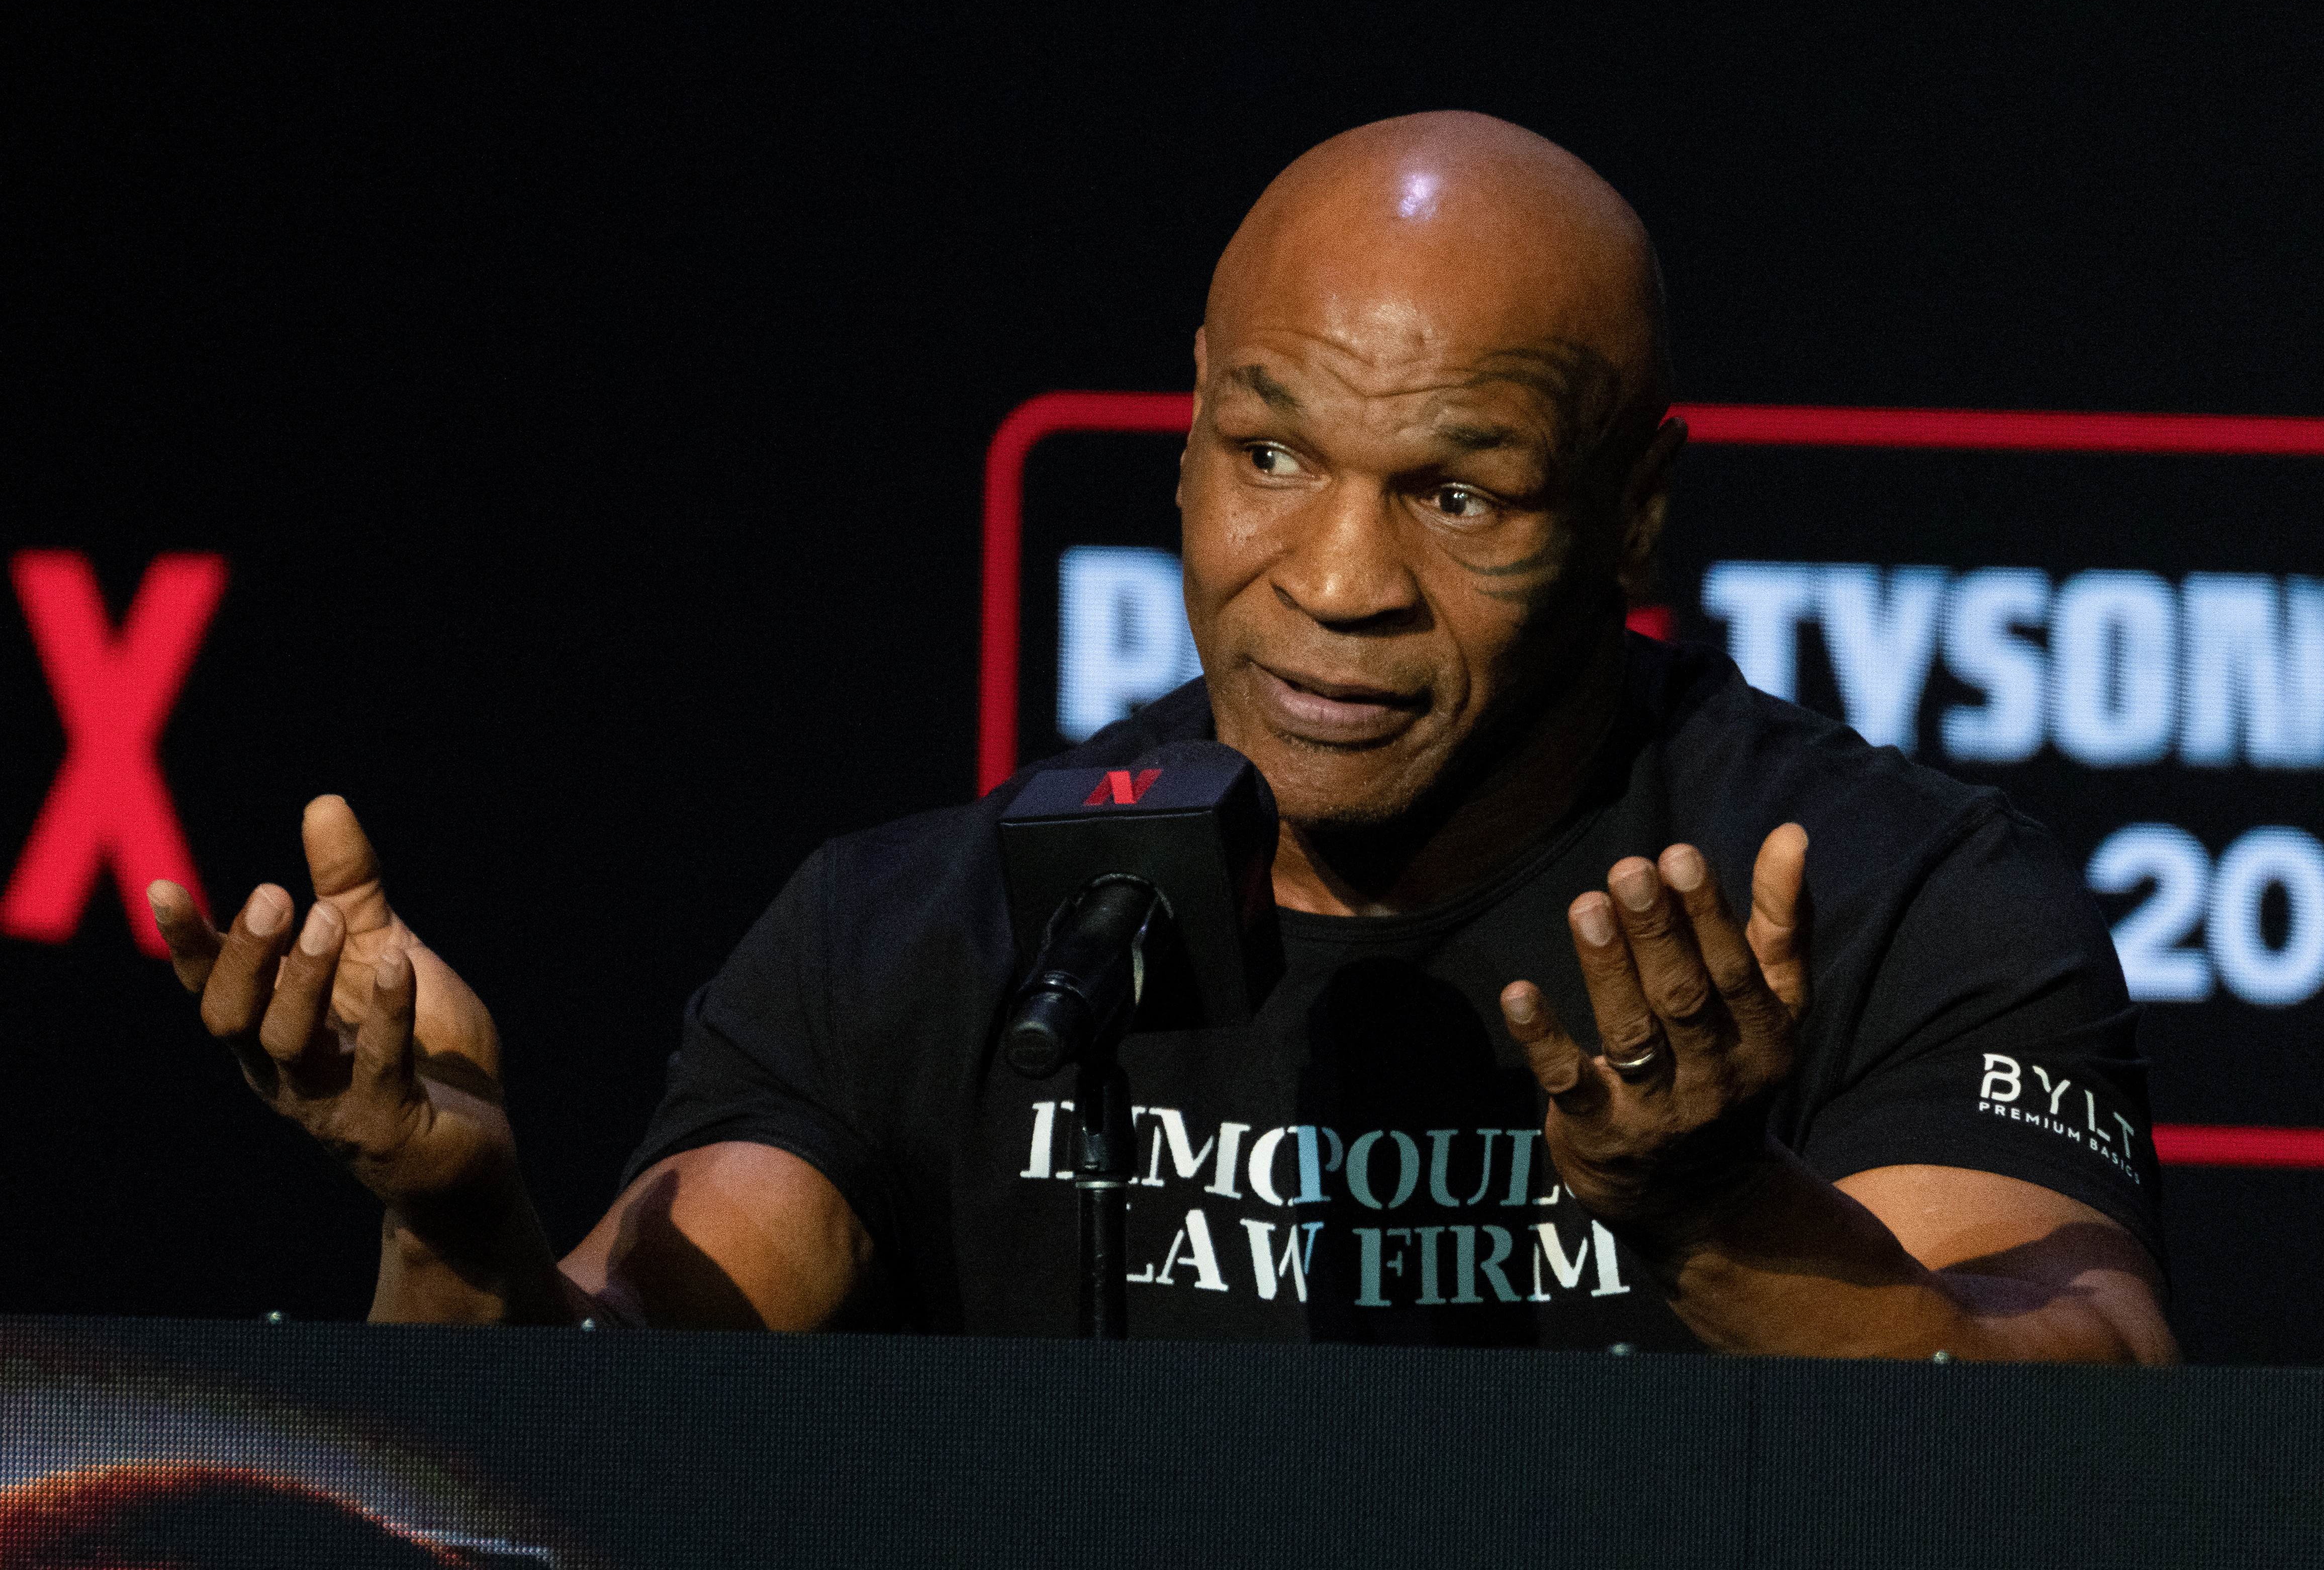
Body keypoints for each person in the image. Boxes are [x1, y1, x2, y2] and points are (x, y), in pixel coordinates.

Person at [153, 112, 2176, 1360]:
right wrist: (454, 1223)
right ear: (1190, 421)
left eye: (1458, 493)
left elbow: (2081, 1418)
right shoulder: (916, 938)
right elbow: (592, 1452)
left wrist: (1726, 1221)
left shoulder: (1885, 904)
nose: (1336, 577)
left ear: (1632, 512)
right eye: (1270, 452)